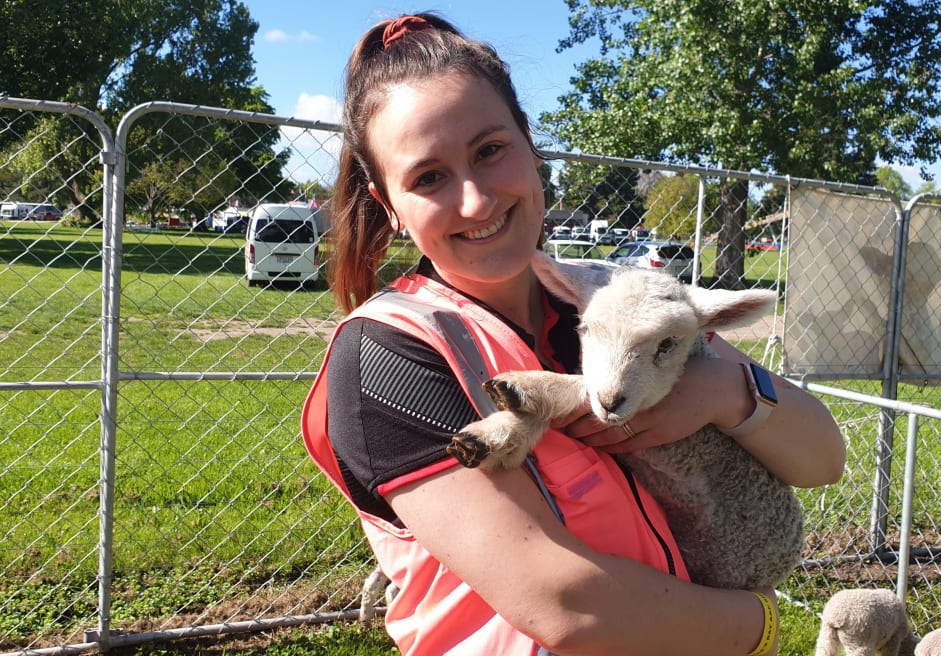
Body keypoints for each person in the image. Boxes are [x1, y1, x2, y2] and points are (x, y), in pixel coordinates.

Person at [302, 12, 846, 655]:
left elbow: (822, 460)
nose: (476, 200)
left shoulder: (619, 299)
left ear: (531, 147)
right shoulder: (388, 356)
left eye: (490, 150)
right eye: (429, 177)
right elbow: (567, 607)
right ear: (388, 202)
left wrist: (726, 392)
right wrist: (761, 625)